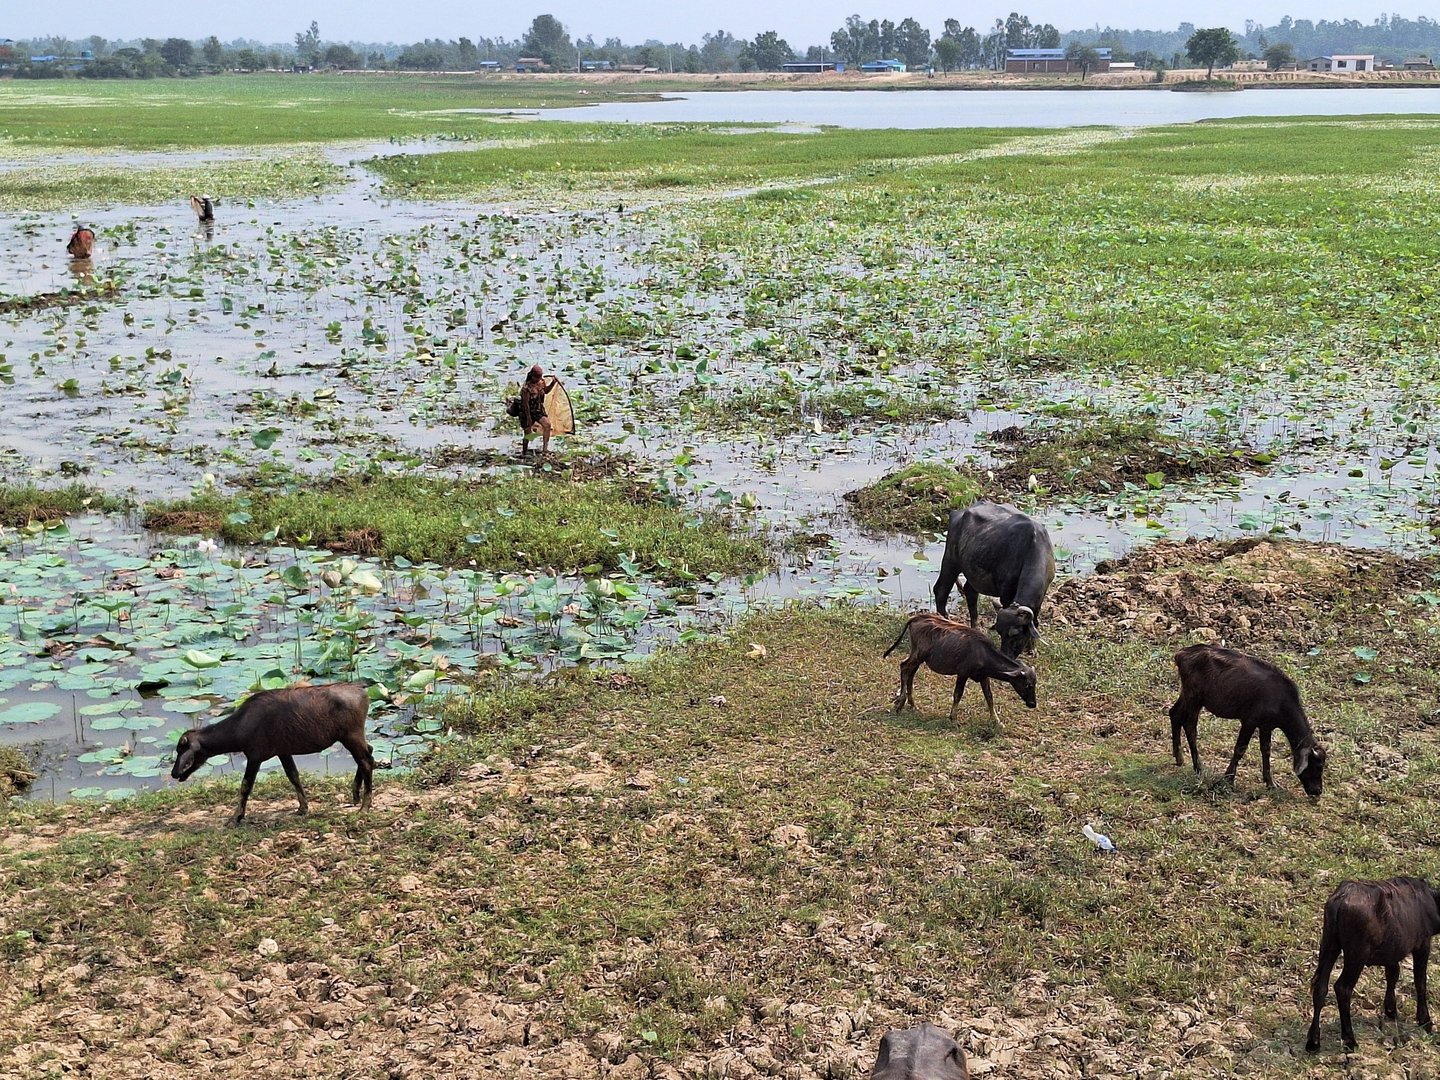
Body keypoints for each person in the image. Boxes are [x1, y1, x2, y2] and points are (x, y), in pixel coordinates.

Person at [518, 364, 558, 456]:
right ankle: (524, 452)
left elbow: (546, 391)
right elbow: (525, 404)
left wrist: (553, 383)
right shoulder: (526, 388)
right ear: (532, 376)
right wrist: (528, 418)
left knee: (547, 425)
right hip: (526, 411)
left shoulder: (541, 382)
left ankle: (545, 449)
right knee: (528, 433)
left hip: (538, 409)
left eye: (539, 377)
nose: (538, 380)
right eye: (536, 378)